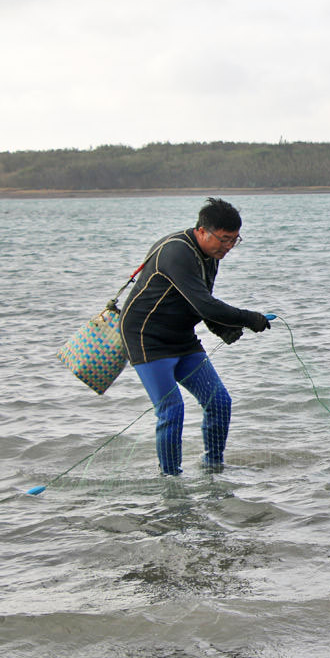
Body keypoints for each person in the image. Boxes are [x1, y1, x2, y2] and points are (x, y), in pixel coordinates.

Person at [120, 197, 272, 475]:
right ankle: (171, 479)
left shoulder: (211, 255)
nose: (228, 247)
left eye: (234, 241)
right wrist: (248, 318)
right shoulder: (177, 252)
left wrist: (221, 327)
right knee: (172, 410)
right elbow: (204, 304)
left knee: (219, 402)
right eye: (224, 239)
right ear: (202, 230)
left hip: (181, 336)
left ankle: (213, 467)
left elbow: (199, 301)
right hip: (145, 337)